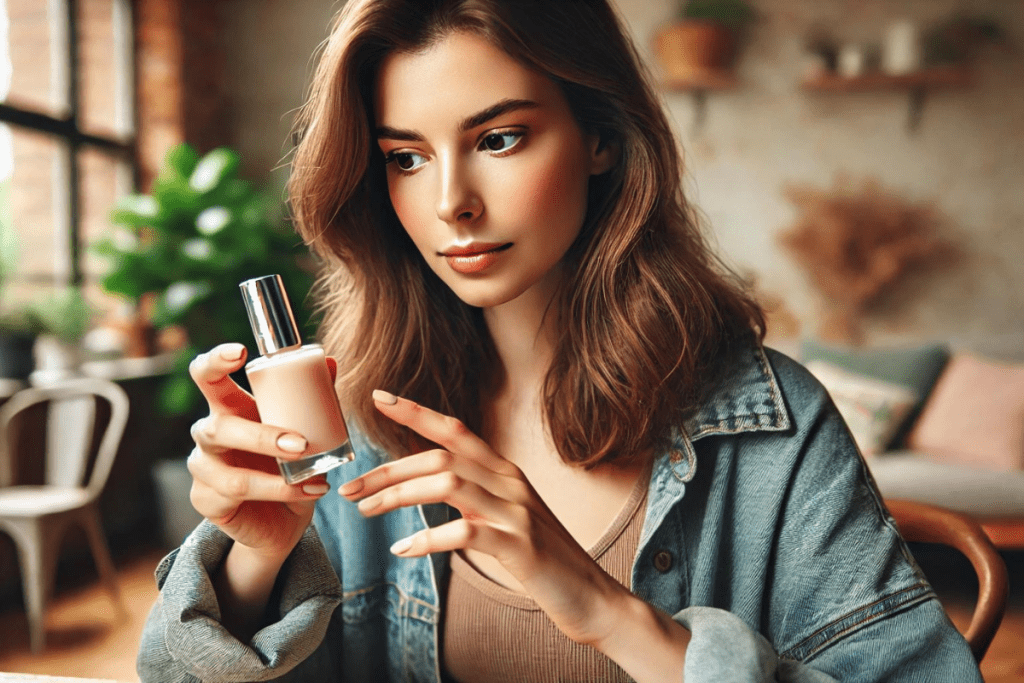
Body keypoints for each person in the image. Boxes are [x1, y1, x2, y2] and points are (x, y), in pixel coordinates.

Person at [137, 1, 983, 681]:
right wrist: (255, 562)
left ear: (602, 138)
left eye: (498, 138)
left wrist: (606, 609)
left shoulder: (769, 424)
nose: (450, 204)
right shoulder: (352, 420)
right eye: (405, 157)